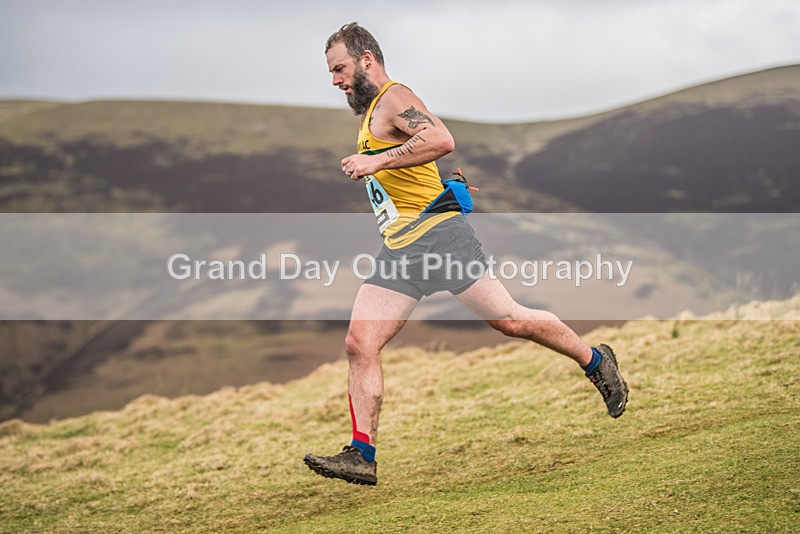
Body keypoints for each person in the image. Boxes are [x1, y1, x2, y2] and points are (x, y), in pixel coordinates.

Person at [304, 22, 628, 486]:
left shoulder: (395, 98)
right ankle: (362, 454)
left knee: (510, 321)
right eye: (332, 72)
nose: (335, 81)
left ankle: (596, 362)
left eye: (339, 69)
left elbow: (440, 140)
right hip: (400, 249)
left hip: (440, 237)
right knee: (360, 343)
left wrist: (375, 161)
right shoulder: (371, 112)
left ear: (366, 60)